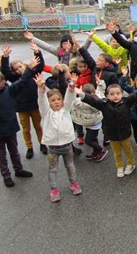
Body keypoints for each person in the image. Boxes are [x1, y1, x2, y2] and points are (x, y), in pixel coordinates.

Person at [0, 58, 39, 187]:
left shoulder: (10, 90)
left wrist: (29, 68)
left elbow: (23, 81)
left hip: (10, 128)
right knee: (1, 155)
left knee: (14, 151)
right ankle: (6, 176)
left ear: (2, 82)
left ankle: (18, 170)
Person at [78, 82, 137, 178]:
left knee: (128, 150)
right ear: (107, 96)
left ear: (122, 93)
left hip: (125, 134)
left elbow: (135, 95)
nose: (115, 96)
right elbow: (92, 100)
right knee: (117, 153)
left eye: (118, 93)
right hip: (112, 135)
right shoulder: (104, 104)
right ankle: (119, 167)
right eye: (112, 94)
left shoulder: (126, 102)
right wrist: (82, 94)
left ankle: (131, 164)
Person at [35, 74, 82, 202]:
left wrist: (72, 85)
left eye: (58, 99)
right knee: (52, 169)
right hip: (52, 147)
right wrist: (41, 88)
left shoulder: (66, 109)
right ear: (49, 103)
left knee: (70, 166)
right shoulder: (46, 113)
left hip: (67, 145)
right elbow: (42, 101)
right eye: (53, 100)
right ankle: (54, 189)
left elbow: (70, 97)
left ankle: (74, 184)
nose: (56, 102)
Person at [0, 42, 46, 159]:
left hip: (35, 105)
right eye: (16, 69)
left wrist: (37, 52)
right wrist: (5, 57)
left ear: (24, 65)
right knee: (26, 129)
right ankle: (29, 147)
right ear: (14, 71)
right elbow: (5, 71)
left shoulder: (33, 73)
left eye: (21, 66)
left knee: (39, 126)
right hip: (22, 108)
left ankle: (42, 143)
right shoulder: (14, 78)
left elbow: (40, 65)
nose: (19, 69)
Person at [70, 77, 108, 162]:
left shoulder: (85, 103)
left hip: (92, 124)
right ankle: (96, 152)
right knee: (94, 139)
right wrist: (100, 82)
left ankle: (101, 150)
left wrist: (73, 91)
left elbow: (75, 102)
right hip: (94, 122)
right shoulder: (98, 96)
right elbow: (101, 89)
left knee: (88, 140)